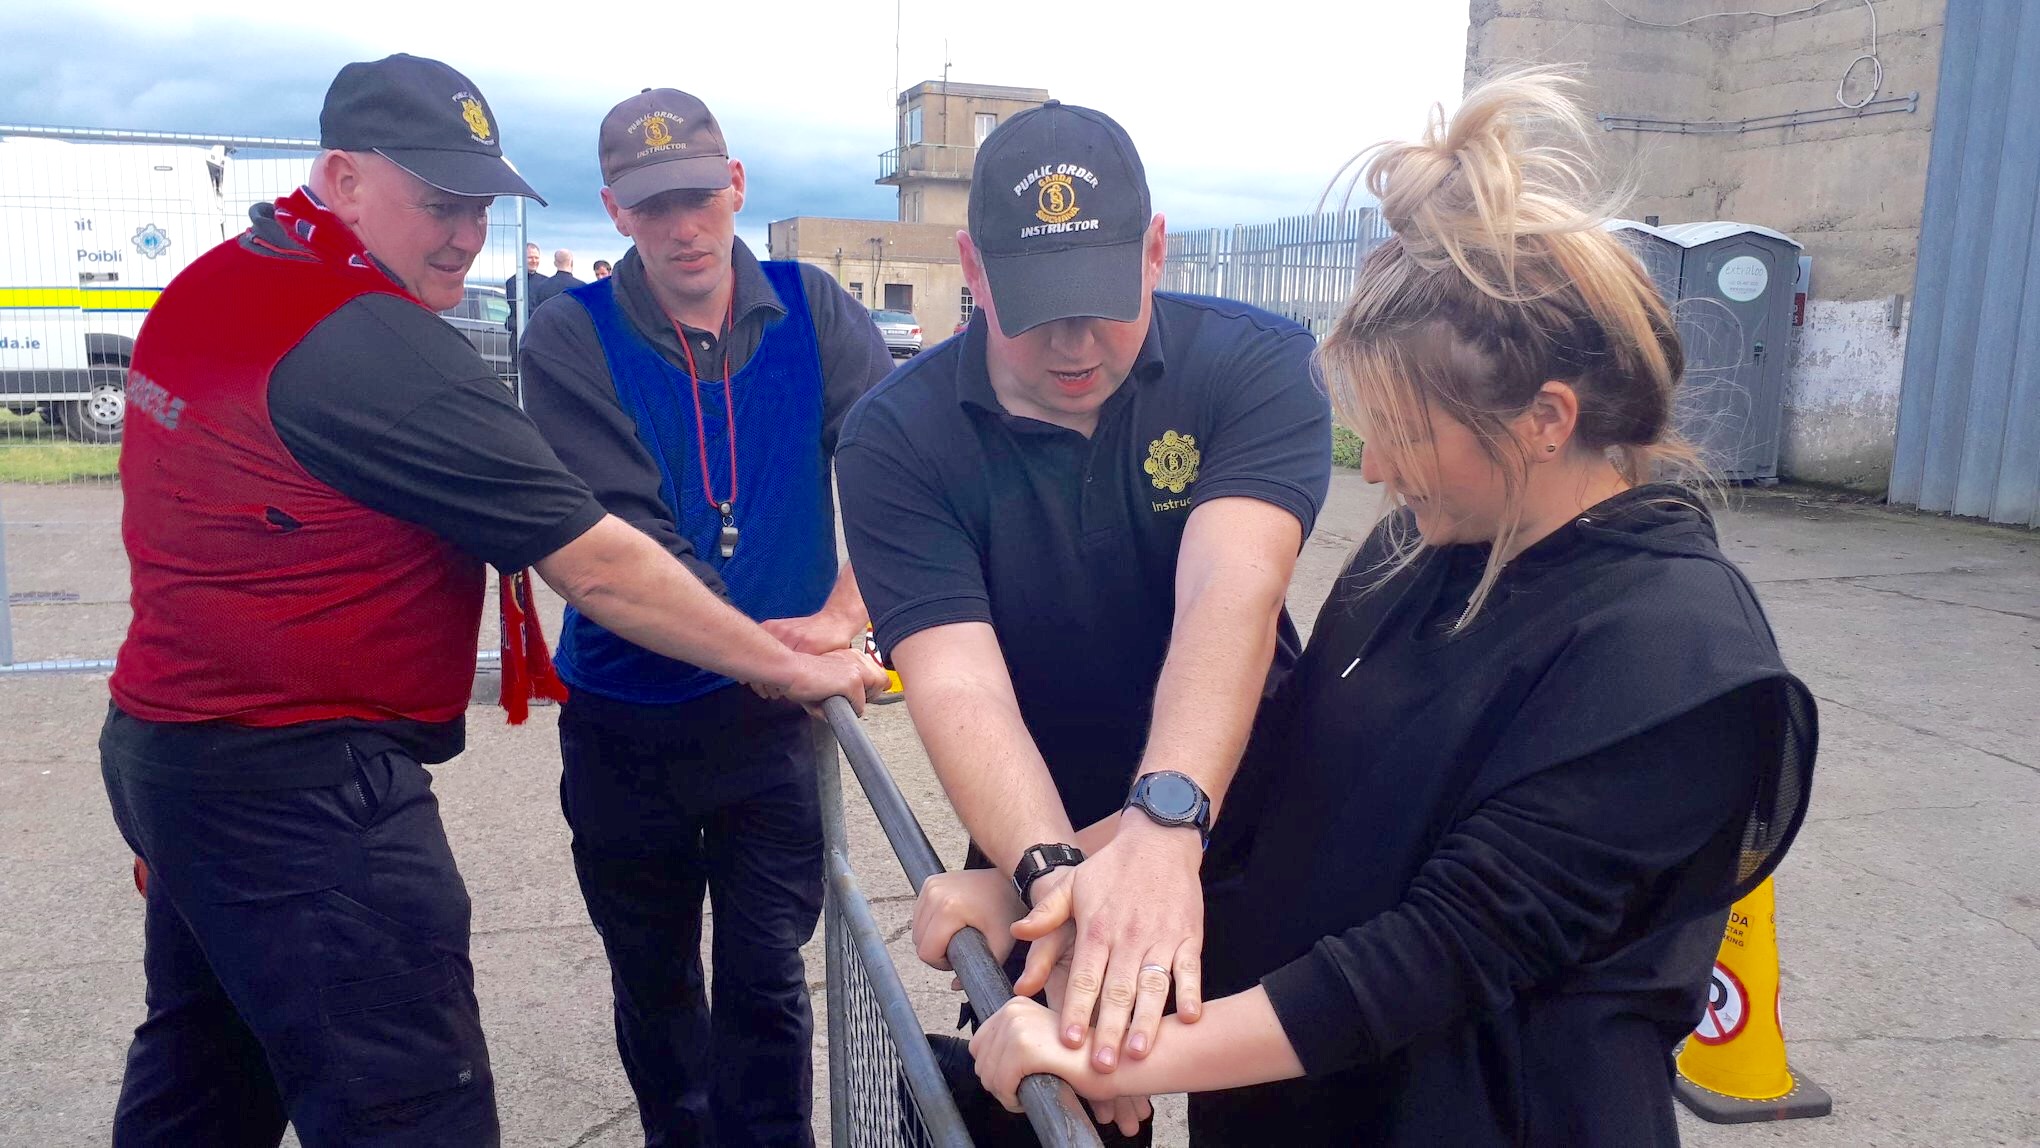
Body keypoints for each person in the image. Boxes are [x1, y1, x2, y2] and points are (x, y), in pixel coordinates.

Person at [934, 70, 1819, 1146]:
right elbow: (1280, 770)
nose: (1382, 468)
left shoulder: (1673, 655)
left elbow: (1439, 954)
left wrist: (1116, 1050)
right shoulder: (1427, 545)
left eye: (1404, 428)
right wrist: (1061, 884)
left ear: (1545, 418)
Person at [100, 54, 884, 1148]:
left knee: (206, 1074)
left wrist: (187, 808)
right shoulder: (377, 340)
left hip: (183, 747)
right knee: (412, 1104)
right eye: (437, 201)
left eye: (478, 203)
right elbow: (598, 561)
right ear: (339, 177)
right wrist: (792, 662)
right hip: (301, 787)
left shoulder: (222, 283)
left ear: (738, 185)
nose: (466, 233)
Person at [835, 98, 1331, 1135]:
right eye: (1036, 303)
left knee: (1281, 1106)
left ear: (1155, 249)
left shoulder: (1254, 366)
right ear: (973, 269)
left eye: (1100, 298)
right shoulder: (897, 434)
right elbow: (958, 677)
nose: (1072, 340)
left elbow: (1225, 596)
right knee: (1074, 1110)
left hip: (1253, 814)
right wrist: (1056, 882)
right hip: (1038, 824)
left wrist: (1161, 822)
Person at [516, 87, 896, 1147]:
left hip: (769, 731)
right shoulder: (570, 339)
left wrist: (848, 609)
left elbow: (897, 472)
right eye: (651, 206)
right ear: (614, 210)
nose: (682, 226)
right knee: (656, 983)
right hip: (625, 720)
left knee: (769, 981)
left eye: (696, 195)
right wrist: (774, 653)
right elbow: (622, 544)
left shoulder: (812, 308)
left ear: (734, 186)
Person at [505, 240, 541, 333]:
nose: (534, 261)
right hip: (519, 334)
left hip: (540, 334)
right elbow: (517, 308)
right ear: (522, 258)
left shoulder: (546, 282)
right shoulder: (512, 282)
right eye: (530, 257)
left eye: (536, 258)